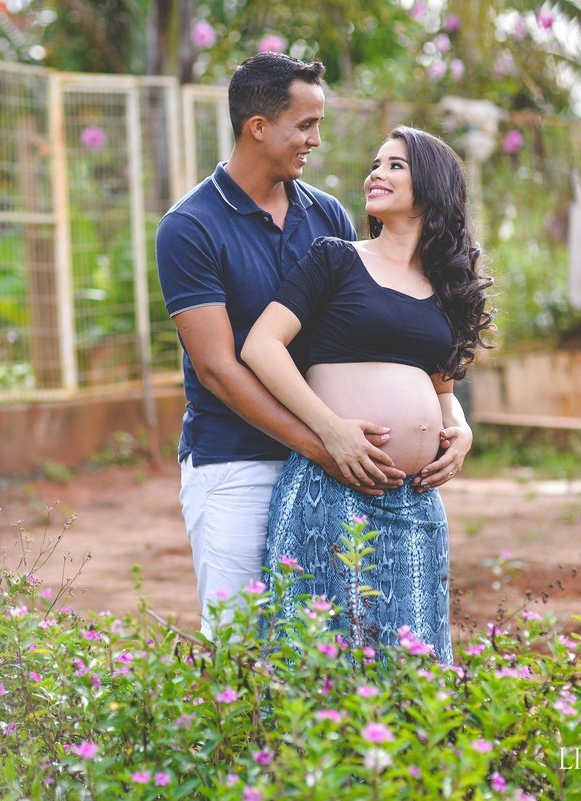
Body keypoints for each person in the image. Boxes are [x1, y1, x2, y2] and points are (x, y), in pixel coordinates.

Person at [156, 52, 413, 638]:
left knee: (329, 636)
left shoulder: (328, 215)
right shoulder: (190, 227)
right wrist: (324, 441)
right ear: (258, 126)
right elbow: (218, 370)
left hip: (323, 464)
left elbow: (358, 330)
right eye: (305, 125)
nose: (315, 140)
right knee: (243, 641)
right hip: (236, 464)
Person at [240, 126, 494, 662]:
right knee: (321, 653)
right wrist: (331, 431)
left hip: (415, 500)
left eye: (395, 165)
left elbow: (441, 389)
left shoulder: (447, 287)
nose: (376, 174)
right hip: (332, 484)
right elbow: (261, 346)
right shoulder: (335, 259)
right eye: (376, 164)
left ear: (432, 186)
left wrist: (460, 430)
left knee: (414, 658)